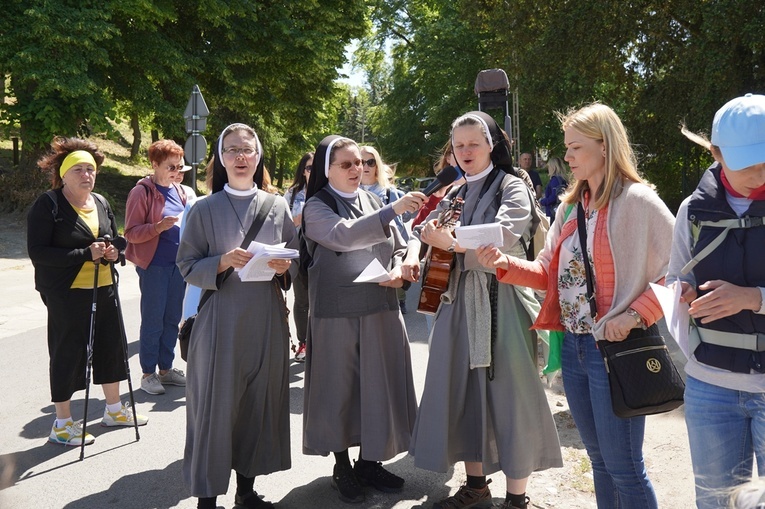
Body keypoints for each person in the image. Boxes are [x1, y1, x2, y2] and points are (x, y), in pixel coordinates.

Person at [476, 102, 675, 508]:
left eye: (575, 148)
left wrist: (637, 315)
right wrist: (503, 263)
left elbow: (678, 274)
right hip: (575, 347)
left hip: (616, 350)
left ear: (605, 147)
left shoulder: (640, 201)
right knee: (600, 462)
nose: (566, 157)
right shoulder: (569, 207)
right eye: (566, 147)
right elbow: (548, 272)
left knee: (625, 468)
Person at [404, 111, 563, 509]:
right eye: (459, 145)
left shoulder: (513, 186)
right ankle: (476, 485)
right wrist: (430, 237)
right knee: (463, 395)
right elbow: (440, 238)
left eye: (474, 143)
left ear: (493, 145)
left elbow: (505, 236)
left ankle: (517, 498)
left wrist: (451, 240)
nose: (466, 151)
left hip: (502, 302)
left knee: (510, 396)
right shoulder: (456, 193)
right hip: (456, 303)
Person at [176, 123, 297, 509]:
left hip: (266, 321)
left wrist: (283, 269)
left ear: (258, 156)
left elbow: (295, 259)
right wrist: (222, 261)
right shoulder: (203, 208)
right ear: (220, 158)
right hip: (220, 322)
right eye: (231, 150)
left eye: (247, 150)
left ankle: (246, 492)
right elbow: (186, 264)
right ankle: (207, 500)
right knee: (215, 408)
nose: (240, 157)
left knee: (258, 406)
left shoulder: (277, 206)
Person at [301, 135, 425, 504]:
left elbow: (404, 240)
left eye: (361, 163)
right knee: (339, 390)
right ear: (328, 170)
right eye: (347, 164)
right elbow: (344, 236)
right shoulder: (317, 206)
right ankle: (342, 467)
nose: (357, 170)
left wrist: (407, 260)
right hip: (336, 312)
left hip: (380, 306)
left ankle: (368, 461)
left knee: (378, 387)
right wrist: (392, 210)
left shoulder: (371, 199)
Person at [666, 93, 765, 509]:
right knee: (714, 504)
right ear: (716, 153)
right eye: (749, 163)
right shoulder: (691, 211)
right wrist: (681, 293)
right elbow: (675, 277)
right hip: (711, 387)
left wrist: (752, 298)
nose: (761, 172)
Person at [27, 136, 148, 447]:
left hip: (104, 287)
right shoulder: (49, 204)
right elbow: (38, 252)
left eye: (90, 170)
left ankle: (114, 410)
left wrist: (113, 253)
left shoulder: (102, 202)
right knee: (68, 353)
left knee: (112, 348)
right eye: (78, 169)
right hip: (66, 294)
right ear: (64, 174)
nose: (86, 175)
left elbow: (116, 240)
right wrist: (85, 254)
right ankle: (63, 423)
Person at [124, 140, 188, 395]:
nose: (175, 171)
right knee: (153, 319)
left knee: (172, 318)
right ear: (154, 165)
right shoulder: (142, 192)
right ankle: (148, 373)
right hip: (154, 266)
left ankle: (166, 368)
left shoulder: (180, 190)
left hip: (178, 265)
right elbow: (130, 233)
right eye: (170, 166)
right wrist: (158, 227)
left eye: (179, 166)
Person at [359, 145, 410, 313]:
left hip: (386, 255)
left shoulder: (390, 193)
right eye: (361, 161)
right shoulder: (349, 193)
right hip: (359, 255)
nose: (365, 166)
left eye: (370, 162)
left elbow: (401, 228)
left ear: (377, 166)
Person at [284, 151, 313, 361]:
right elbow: (282, 225)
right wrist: (297, 220)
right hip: (299, 253)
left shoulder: (328, 191)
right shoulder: (293, 194)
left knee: (321, 301)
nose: (313, 172)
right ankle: (303, 343)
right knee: (302, 300)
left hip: (323, 254)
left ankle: (320, 343)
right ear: (303, 171)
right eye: (310, 168)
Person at [538, 156, 568, 222]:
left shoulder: (555, 180)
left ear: (553, 167)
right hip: (563, 210)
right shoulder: (564, 179)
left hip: (554, 211)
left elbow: (554, 197)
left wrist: (542, 202)